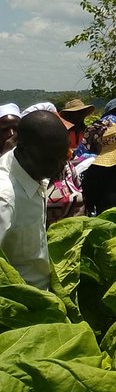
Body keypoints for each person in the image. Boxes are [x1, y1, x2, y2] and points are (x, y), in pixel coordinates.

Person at [0, 111, 69, 288]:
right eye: (51, 159)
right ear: (22, 149)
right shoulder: (5, 197)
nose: (59, 166)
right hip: (22, 306)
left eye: (64, 158)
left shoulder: (35, 169)